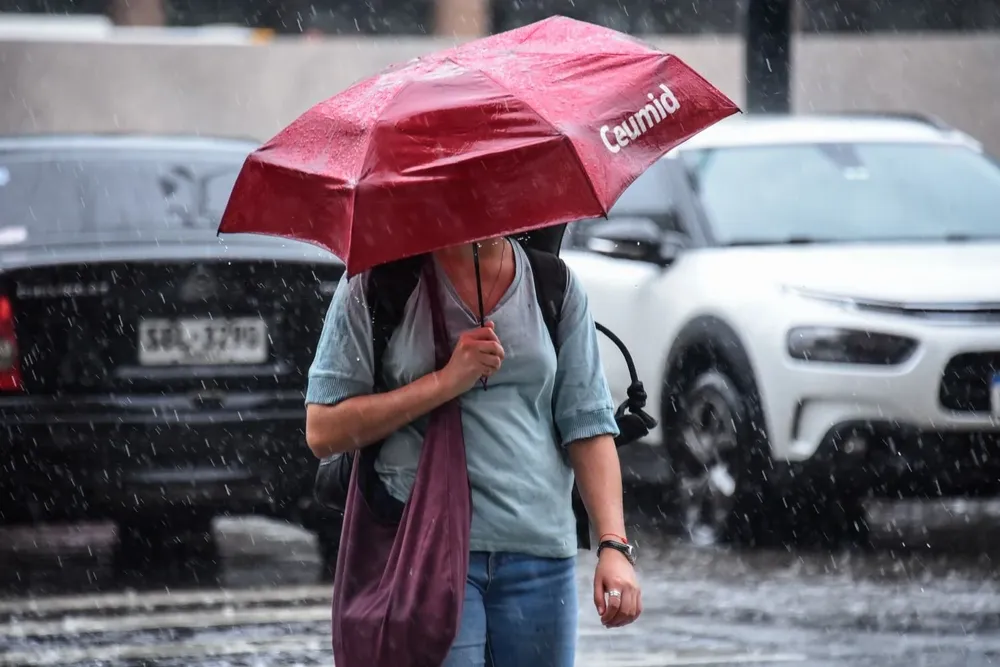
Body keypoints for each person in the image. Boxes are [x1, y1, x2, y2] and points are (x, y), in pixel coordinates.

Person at [304, 235, 641, 667]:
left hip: (539, 554)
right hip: (424, 550)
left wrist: (613, 545)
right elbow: (323, 429)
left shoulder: (553, 285)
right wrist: (444, 382)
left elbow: (588, 425)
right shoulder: (379, 284)